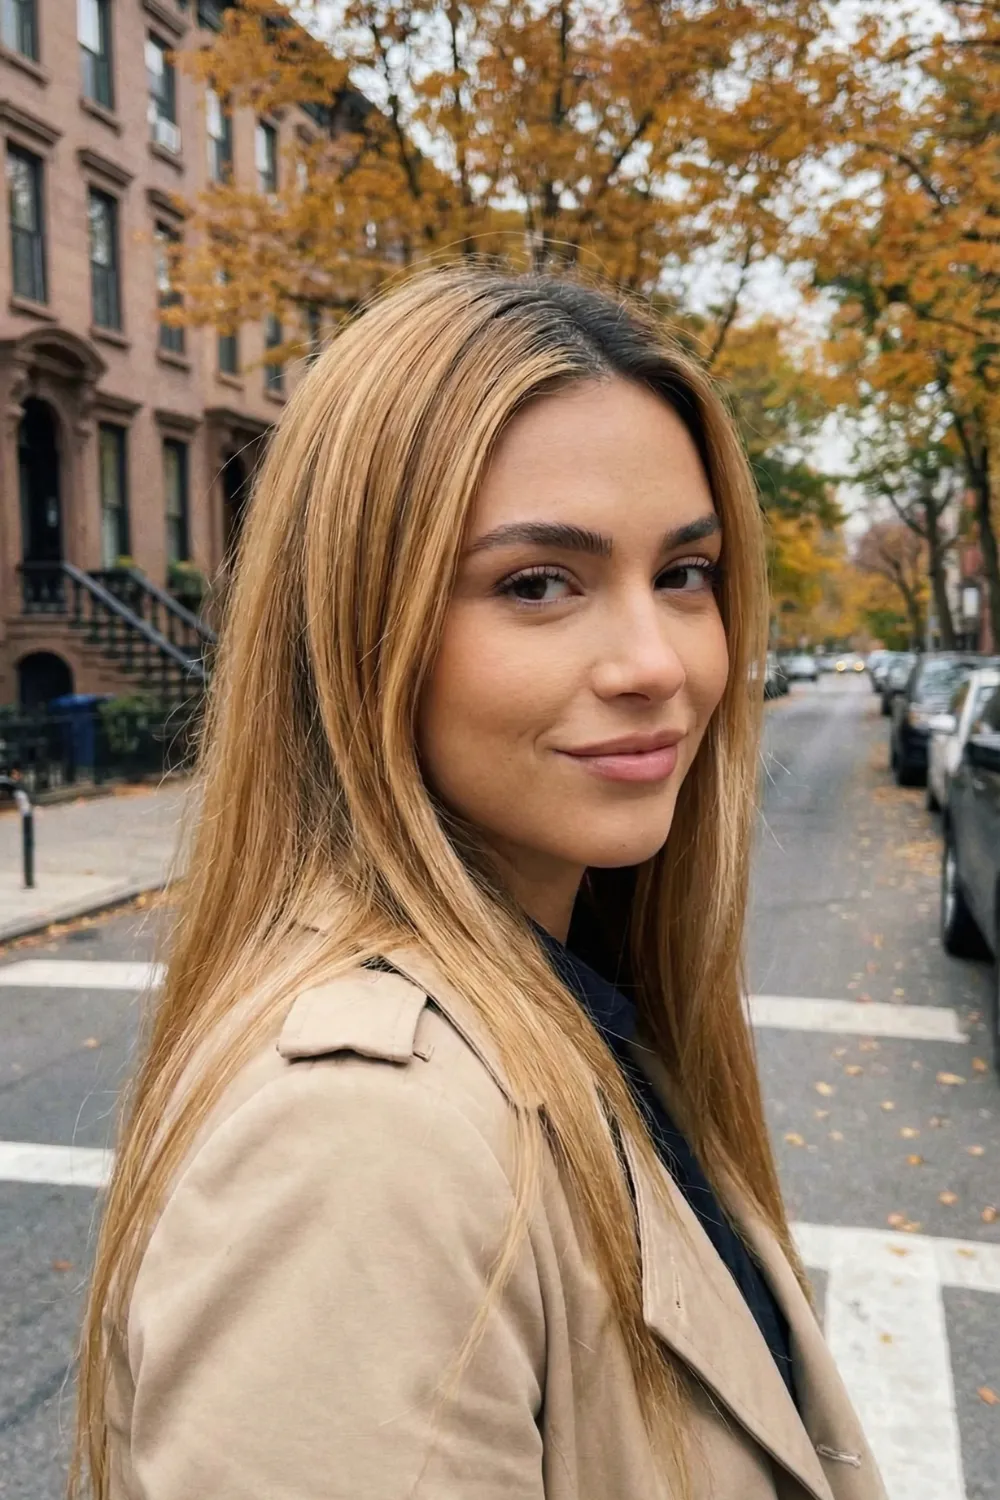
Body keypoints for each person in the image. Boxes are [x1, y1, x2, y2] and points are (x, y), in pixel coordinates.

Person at [73, 267, 885, 1500]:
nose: (654, 663)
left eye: (684, 573)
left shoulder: (576, 1000)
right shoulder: (360, 1140)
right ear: (355, 626)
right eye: (536, 584)